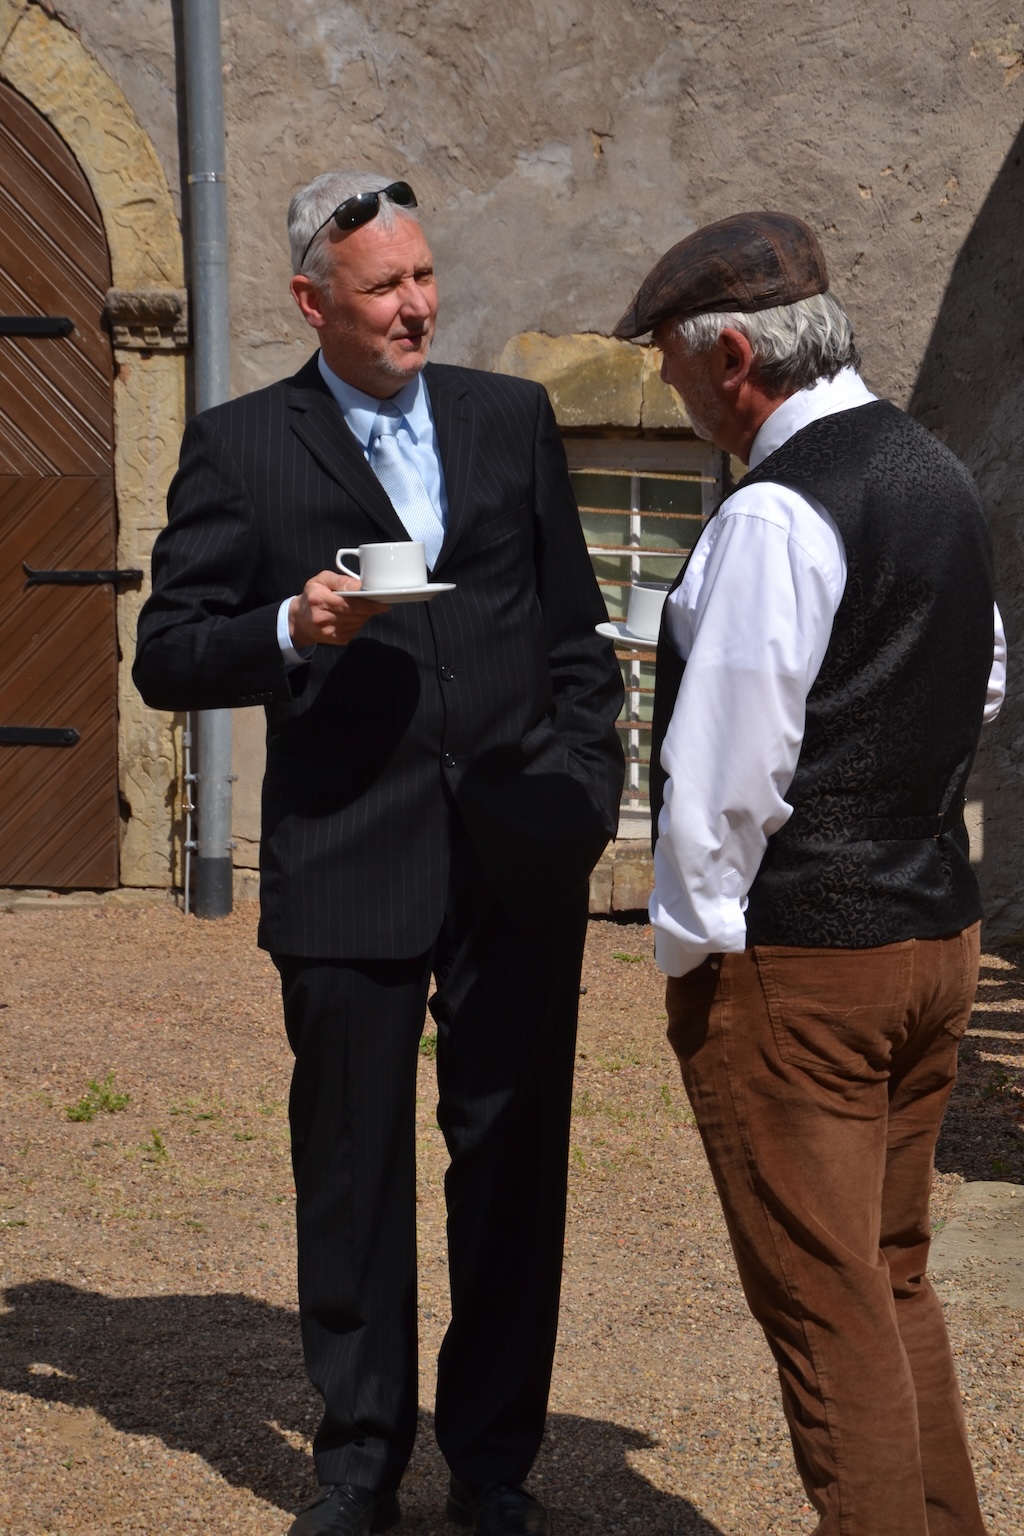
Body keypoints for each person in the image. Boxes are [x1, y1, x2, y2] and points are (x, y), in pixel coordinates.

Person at [134, 171, 624, 1536]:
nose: (416, 306)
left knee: (512, 1164)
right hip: (351, 853)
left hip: (519, 849)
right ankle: (357, 1467)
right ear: (313, 302)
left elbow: (574, 635)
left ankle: (494, 1466)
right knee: (352, 1172)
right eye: (383, 287)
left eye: (422, 276)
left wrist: (584, 796)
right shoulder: (241, 446)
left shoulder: (509, 417)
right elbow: (167, 653)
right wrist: (288, 628)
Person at [613, 212, 1006, 1536]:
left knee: (827, 1307)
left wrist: (694, 958)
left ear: (735, 358)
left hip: (805, 963)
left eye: (672, 361)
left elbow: (722, 778)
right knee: (889, 1275)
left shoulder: (773, 512)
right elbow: (980, 682)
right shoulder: (934, 471)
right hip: (934, 934)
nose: (671, 388)